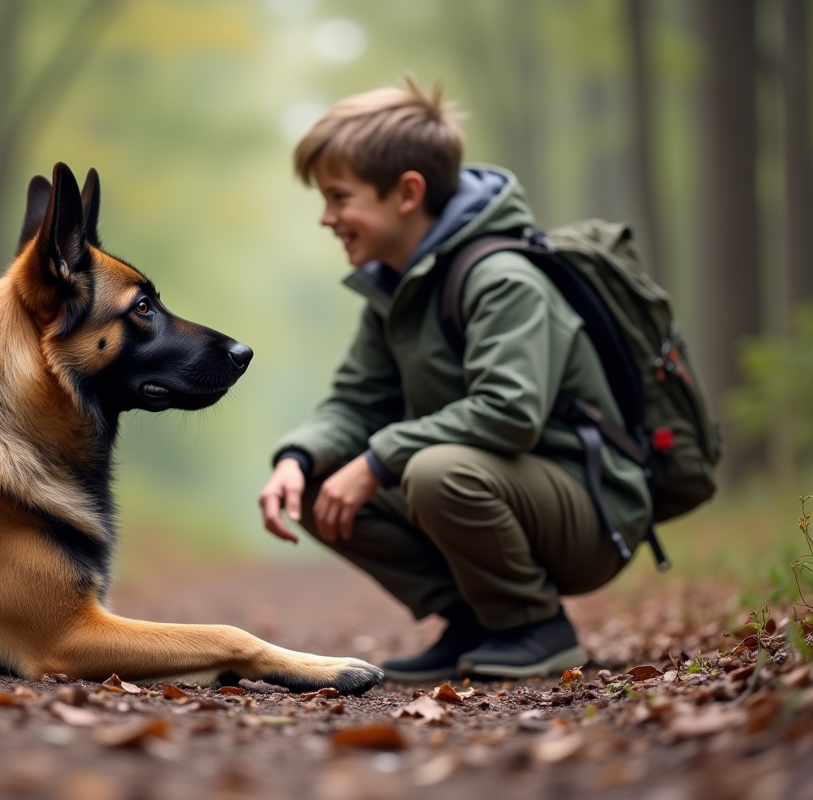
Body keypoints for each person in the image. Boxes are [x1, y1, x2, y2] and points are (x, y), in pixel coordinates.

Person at [257, 75, 652, 681]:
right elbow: (356, 401)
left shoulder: (501, 278)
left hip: (592, 509)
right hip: (505, 493)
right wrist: (300, 459)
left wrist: (376, 461)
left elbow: (508, 412)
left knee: (433, 470)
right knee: (319, 483)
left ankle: (532, 626)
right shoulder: (394, 289)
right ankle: (473, 618)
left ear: (407, 192)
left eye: (339, 198)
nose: (327, 218)